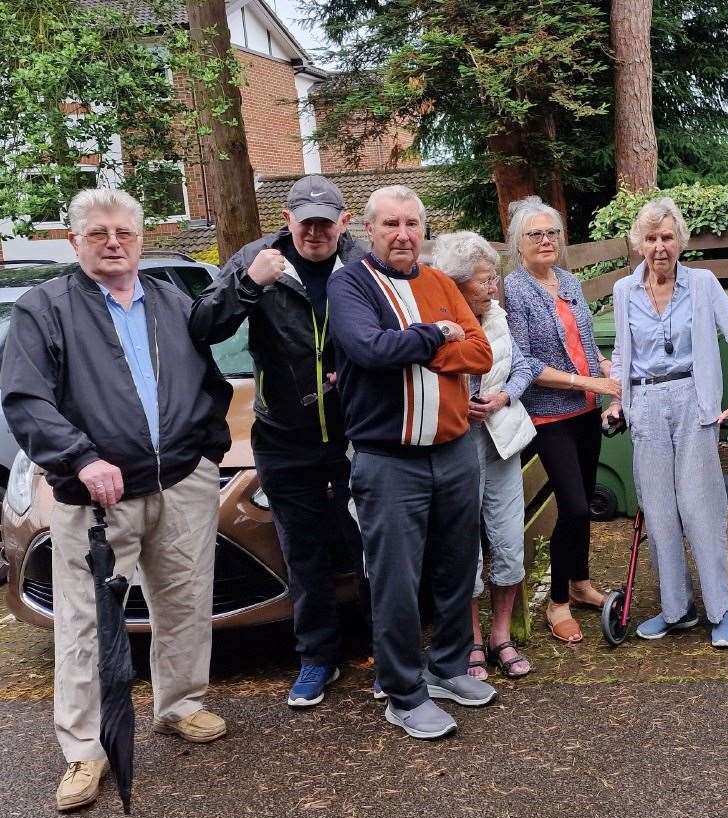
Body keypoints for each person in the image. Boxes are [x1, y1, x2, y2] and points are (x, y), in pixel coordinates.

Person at [0, 189, 233, 812]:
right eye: (98, 233)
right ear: (75, 242)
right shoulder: (43, 309)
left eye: (124, 233)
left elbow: (208, 378)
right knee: (85, 623)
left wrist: (207, 447)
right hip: (98, 494)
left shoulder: (167, 300)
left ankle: (180, 704)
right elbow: (26, 400)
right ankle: (84, 749)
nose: (113, 242)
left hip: (181, 480)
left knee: (184, 598)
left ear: (139, 240)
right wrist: (80, 456)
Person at [189, 174, 367, 709]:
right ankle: (316, 658)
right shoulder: (256, 258)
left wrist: (353, 372)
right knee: (303, 549)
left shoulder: (363, 262)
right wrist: (249, 283)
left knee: (371, 545)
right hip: (283, 434)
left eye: (325, 222)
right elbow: (202, 326)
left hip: (356, 431)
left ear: (343, 221)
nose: (314, 232)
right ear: (287, 220)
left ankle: (386, 651)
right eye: (304, 221)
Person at [328, 185, 495, 740]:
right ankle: (403, 692)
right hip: (388, 460)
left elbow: (480, 352)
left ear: (424, 230)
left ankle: (448, 667)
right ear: (370, 230)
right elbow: (369, 349)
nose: (403, 235)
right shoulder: (351, 282)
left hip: (452, 452)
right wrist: (433, 335)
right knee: (396, 580)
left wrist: (420, 344)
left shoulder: (441, 281)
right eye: (390, 225)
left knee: (454, 568)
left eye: (412, 225)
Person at [603, 197, 728, 648]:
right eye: (650, 238)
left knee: (700, 507)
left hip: (693, 399)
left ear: (680, 241)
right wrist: (616, 399)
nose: (659, 247)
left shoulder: (703, 284)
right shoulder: (623, 291)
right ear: (638, 244)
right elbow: (622, 357)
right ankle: (677, 609)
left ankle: (721, 609)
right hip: (645, 403)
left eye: (667, 237)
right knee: (659, 509)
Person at [503, 196, 621, 645]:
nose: (546, 240)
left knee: (585, 498)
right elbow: (527, 362)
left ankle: (580, 581)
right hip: (548, 415)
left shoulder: (567, 280)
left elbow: (583, 342)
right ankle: (556, 602)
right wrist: (587, 384)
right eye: (535, 234)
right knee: (571, 506)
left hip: (585, 412)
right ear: (519, 245)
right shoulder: (515, 288)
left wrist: (605, 369)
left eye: (552, 232)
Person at [433, 231, 536, 679]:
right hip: (456, 442)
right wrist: (459, 402)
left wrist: (505, 396)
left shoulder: (499, 316)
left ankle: (502, 635)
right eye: (483, 280)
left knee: (509, 539)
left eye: (493, 277)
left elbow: (526, 365)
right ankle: (471, 639)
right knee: (464, 544)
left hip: (501, 440)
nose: (493, 286)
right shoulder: (438, 322)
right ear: (456, 284)